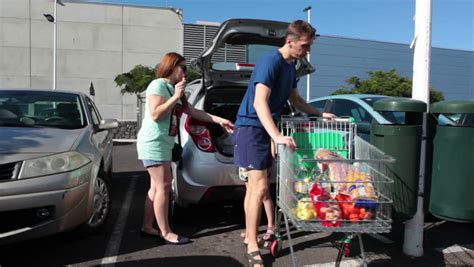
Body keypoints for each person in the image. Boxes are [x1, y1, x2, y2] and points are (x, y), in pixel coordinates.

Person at [233, 20, 336, 266]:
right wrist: (276, 135)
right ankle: (253, 245)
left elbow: (296, 100)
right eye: (305, 45)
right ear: (290, 41)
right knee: (258, 188)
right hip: (251, 127)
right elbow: (260, 103)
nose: (308, 50)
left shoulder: (292, 66)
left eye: (309, 45)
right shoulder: (271, 61)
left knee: (256, 188)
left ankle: (250, 236)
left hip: (265, 128)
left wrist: (319, 113)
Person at [137, 52, 234, 245]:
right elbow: (156, 114)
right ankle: (166, 232)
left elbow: (193, 111)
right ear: (171, 67)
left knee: (156, 188)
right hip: (153, 142)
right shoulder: (157, 85)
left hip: (164, 143)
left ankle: (148, 227)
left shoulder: (173, 88)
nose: (185, 72)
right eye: (182, 67)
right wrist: (175, 96)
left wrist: (220, 120)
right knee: (164, 186)